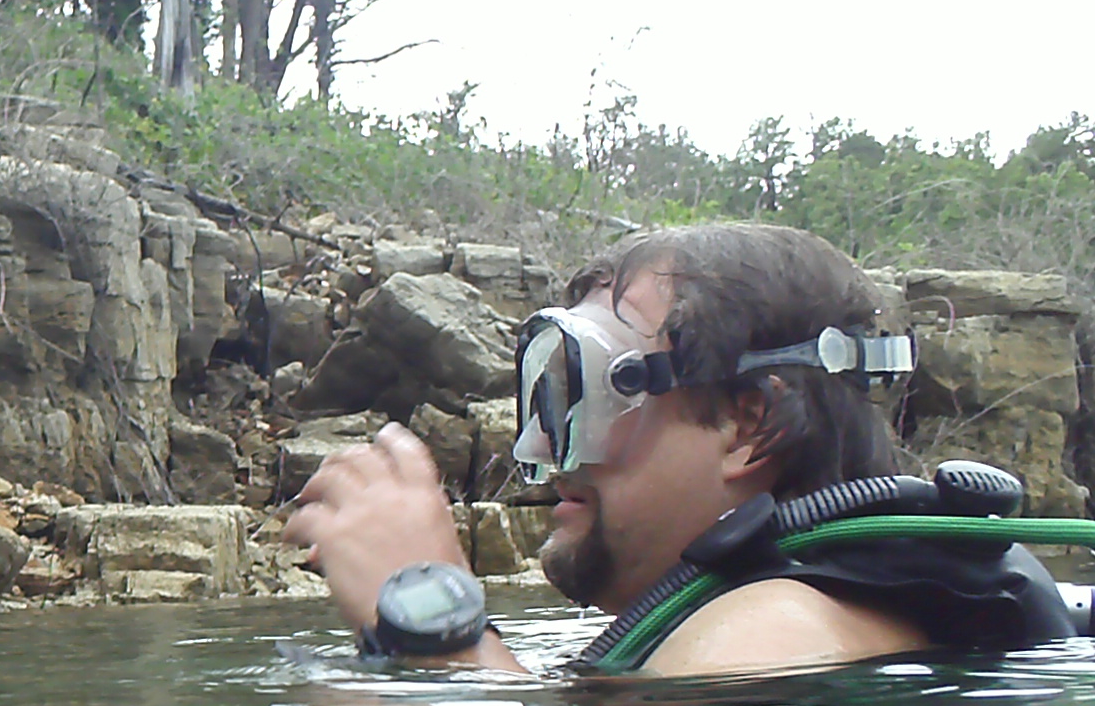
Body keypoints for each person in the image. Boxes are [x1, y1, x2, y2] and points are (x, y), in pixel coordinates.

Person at [283, 222, 1074, 677]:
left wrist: (431, 617)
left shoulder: (775, 631)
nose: (557, 455)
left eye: (594, 387)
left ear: (748, 423)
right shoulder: (803, 609)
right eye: (549, 392)